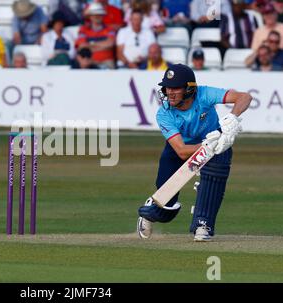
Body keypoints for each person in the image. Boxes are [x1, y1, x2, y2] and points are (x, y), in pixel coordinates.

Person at [136, 64, 252, 242]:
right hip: (180, 150)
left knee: (217, 170)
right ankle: (150, 212)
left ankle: (202, 224)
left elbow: (244, 97)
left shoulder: (204, 94)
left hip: (215, 144)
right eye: (167, 88)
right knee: (167, 209)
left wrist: (232, 118)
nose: (170, 92)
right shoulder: (164, 114)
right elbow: (182, 151)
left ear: (189, 89)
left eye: (175, 88)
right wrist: (209, 145)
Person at [76, 2, 116, 69]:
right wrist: (102, 46)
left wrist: (90, 45)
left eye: (99, 14)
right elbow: (82, 46)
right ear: (90, 16)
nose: (97, 17)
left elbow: (110, 44)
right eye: (94, 15)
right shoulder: (83, 29)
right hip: (89, 61)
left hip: (106, 61)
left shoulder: (110, 29)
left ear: (103, 16)